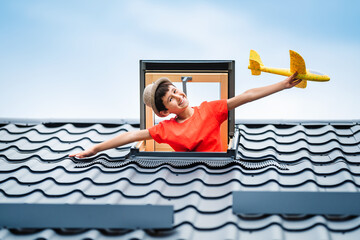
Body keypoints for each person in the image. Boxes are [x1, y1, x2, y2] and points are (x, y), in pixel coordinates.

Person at [69, 72, 301, 158]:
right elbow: (130, 136)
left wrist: (283, 84)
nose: (178, 96)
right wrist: (94, 149)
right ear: (164, 111)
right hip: (187, 184)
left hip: (219, 174)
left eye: (175, 91)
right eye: (171, 99)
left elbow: (247, 95)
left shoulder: (210, 110)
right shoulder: (166, 129)